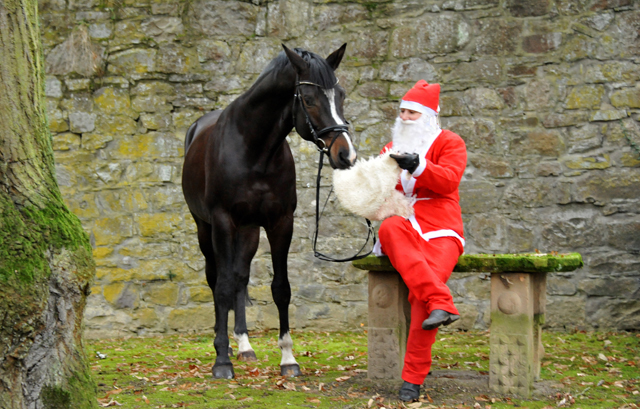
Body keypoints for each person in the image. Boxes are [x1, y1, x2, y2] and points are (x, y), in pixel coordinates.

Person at [373, 80, 467, 402]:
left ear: (428, 115)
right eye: (402, 111)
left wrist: (419, 166)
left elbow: (449, 181)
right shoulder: (390, 148)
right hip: (403, 227)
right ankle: (442, 301)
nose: (405, 116)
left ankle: (412, 378)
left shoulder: (450, 142)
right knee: (388, 228)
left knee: (419, 296)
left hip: (441, 229)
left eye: (412, 111)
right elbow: (377, 189)